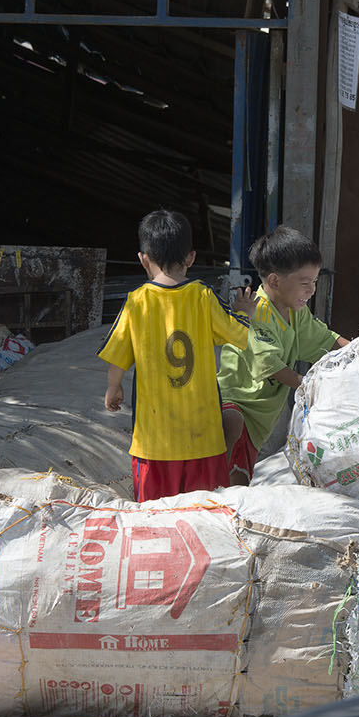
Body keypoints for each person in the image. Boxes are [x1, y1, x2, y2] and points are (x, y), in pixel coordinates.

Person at [99, 209, 253, 503]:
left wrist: (113, 386)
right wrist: (245, 313)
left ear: (143, 259)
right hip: (204, 441)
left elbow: (118, 355)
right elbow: (239, 335)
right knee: (205, 516)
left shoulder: (136, 302)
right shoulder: (203, 296)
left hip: (154, 445)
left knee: (155, 521)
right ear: (191, 258)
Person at [217, 226, 350, 486]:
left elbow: (326, 339)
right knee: (230, 480)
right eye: (305, 283)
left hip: (260, 420)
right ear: (276, 281)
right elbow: (270, 364)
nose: (311, 290)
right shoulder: (257, 311)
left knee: (240, 478)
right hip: (239, 403)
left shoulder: (296, 312)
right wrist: (308, 384)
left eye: (315, 282)